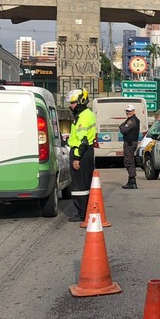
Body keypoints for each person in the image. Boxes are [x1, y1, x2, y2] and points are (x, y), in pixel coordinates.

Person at [66, 88, 96, 221]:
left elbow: (82, 140)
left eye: (73, 103)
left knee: (79, 184)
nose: (71, 105)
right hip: (85, 152)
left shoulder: (83, 116)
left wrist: (77, 157)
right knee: (84, 182)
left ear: (81, 101)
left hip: (81, 153)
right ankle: (85, 211)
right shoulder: (83, 114)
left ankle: (82, 213)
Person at [119, 104, 141, 189]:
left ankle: (132, 181)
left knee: (129, 161)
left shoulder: (132, 120)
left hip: (130, 143)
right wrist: (122, 127)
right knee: (128, 161)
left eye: (130, 111)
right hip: (130, 143)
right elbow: (121, 126)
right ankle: (131, 180)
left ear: (134, 111)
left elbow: (123, 129)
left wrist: (122, 127)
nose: (128, 113)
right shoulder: (130, 119)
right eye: (127, 111)